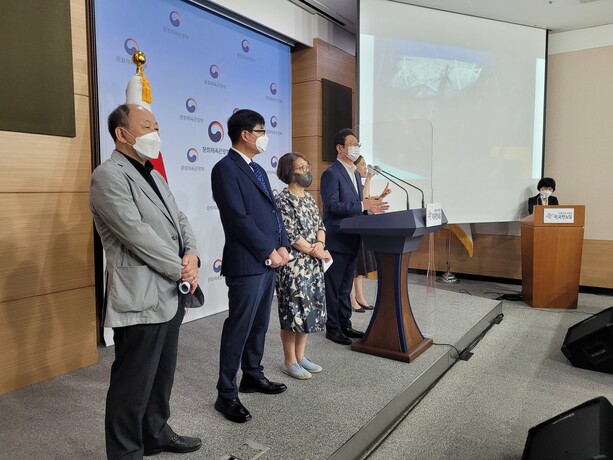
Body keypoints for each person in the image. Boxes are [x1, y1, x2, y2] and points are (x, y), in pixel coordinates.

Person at [90, 103, 204, 458]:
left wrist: (194, 256)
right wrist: (180, 267)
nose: (155, 133)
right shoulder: (108, 175)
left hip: (171, 291)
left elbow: (180, 220)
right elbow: (135, 235)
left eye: (156, 125)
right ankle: (125, 452)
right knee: (132, 384)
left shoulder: (153, 174)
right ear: (122, 134)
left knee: (161, 375)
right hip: (140, 294)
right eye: (146, 126)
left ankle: (155, 432)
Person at [211, 109, 291, 423]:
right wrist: (269, 250)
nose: (264, 136)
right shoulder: (225, 169)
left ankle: (252, 375)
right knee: (239, 327)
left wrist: (282, 243)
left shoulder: (257, 169)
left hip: (268, 260)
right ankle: (226, 394)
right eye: (261, 130)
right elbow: (237, 219)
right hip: (247, 262)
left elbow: (272, 213)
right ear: (245, 134)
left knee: (259, 324)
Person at [320, 128, 389, 345]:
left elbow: (355, 207)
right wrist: (362, 204)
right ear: (340, 148)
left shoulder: (353, 172)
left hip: (352, 238)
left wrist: (369, 209)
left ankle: (344, 324)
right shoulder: (331, 173)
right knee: (333, 287)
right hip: (337, 239)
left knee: (345, 287)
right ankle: (332, 328)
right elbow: (332, 206)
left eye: (357, 144)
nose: (356, 148)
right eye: (352, 144)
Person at [274, 152, 330, 379]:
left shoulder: (308, 198)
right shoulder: (283, 200)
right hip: (294, 267)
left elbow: (320, 225)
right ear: (290, 172)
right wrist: (315, 250)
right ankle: (289, 361)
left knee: (308, 312)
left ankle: (301, 356)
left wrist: (320, 244)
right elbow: (291, 234)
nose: (307, 171)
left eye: (307, 166)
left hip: (313, 264)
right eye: (302, 168)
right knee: (293, 313)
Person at [350, 155, 391, 312]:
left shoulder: (358, 183)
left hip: (362, 227)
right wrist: (368, 179)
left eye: (366, 164)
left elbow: (367, 203)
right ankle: (352, 298)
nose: (365, 167)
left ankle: (360, 297)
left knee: (360, 268)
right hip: (352, 228)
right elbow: (364, 200)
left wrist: (381, 196)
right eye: (362, 164)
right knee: (353, 269)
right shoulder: (353, 184)